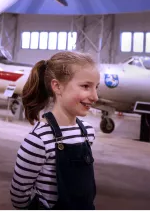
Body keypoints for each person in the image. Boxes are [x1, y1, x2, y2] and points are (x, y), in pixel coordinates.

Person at [10, 51, 100, 210]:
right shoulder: (39, 140)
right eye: (86, 86)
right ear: (57, 86)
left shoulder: (87, 132)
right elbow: (19, 197)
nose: (95, 96)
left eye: (96, 87)